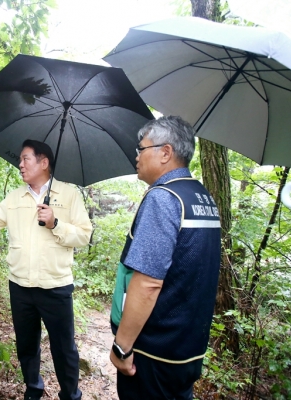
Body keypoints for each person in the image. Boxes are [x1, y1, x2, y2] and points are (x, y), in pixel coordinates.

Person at [0, 139, 92, 400]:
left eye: (25, 159)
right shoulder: (14, 198)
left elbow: (84, 236)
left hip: (56, 287)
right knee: (27, 346)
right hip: (20, 287)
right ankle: (33, 390)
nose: (20, 164)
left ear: (44, 163)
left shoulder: (68, 195)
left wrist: (56, 223)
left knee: (64, 349)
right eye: (20, 160)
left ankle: (70, 395)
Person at [108, 116, 222, 399]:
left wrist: (121, 348)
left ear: (166, 152)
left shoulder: (164, 197)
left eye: (141, 149)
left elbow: (148, 283)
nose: (136, 156)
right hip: (188, 351)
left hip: (154, 354)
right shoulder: (202, 198)